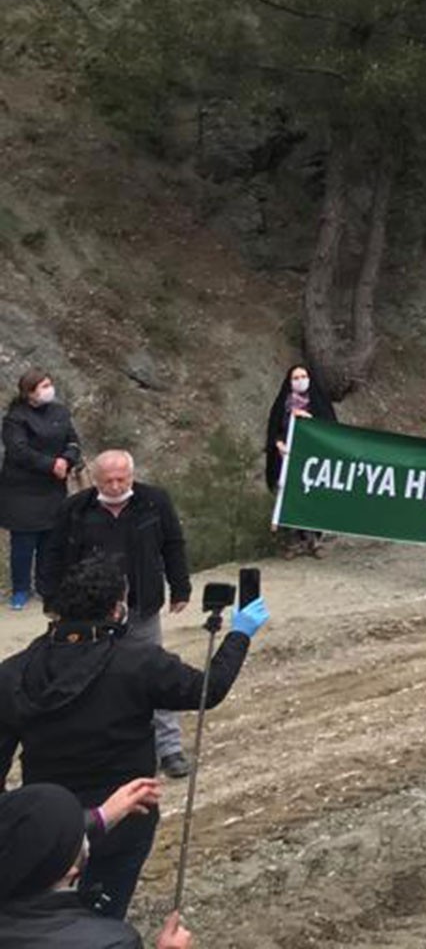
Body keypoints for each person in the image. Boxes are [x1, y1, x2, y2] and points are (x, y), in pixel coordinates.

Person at [0, 554, 267, 919]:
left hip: (46, 829)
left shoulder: (12, 672)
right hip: (127, 815)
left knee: (35, 920)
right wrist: (239, 633)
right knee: (101, 920)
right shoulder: (139, 662)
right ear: (116, 609)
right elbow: (207, 689)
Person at [39, 449, 194, 776]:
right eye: (107, 480)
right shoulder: (75, 509)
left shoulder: (154, 501)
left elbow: (173, 544)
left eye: (121, 478)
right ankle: (91, 748)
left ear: (132, 476)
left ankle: (169, 749)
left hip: (141, 605)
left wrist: (181, 587)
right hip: (87, 612)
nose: (114, 485)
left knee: (155, 671)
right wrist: (51, 599)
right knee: (85, 677)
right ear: (95, 480)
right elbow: (52, 554)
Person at [0, 781, 196, 949]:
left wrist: (101, 816)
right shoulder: (112, 943)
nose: (84, 838)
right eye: (79, 835)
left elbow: (33, 839)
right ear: (70, 870)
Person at [2, 372, 82, 613]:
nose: (50, 389)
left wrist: (67, 460)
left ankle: (46, 586)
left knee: (51, 539)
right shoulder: (15, 419)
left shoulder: (60, 412)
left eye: (50, 384)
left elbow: (73, 442)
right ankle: (20, 590)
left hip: (53, 487)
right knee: (24, 542)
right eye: (44, 386)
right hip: (22, 490)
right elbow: (18, 451)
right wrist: (50, 464)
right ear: (30, 393)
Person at [264, 362, 335, 557]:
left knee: (314, 498)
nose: (300, 381)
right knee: (288, 496)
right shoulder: (282, 404)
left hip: (313, 460)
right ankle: (295, 541)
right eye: (296, 378)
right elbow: (273, 430)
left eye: (303, 376)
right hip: (287, 459)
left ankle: (314, 540)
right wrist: (278, 445)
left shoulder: (319, 402)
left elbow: (330, 429)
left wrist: (308, 418)